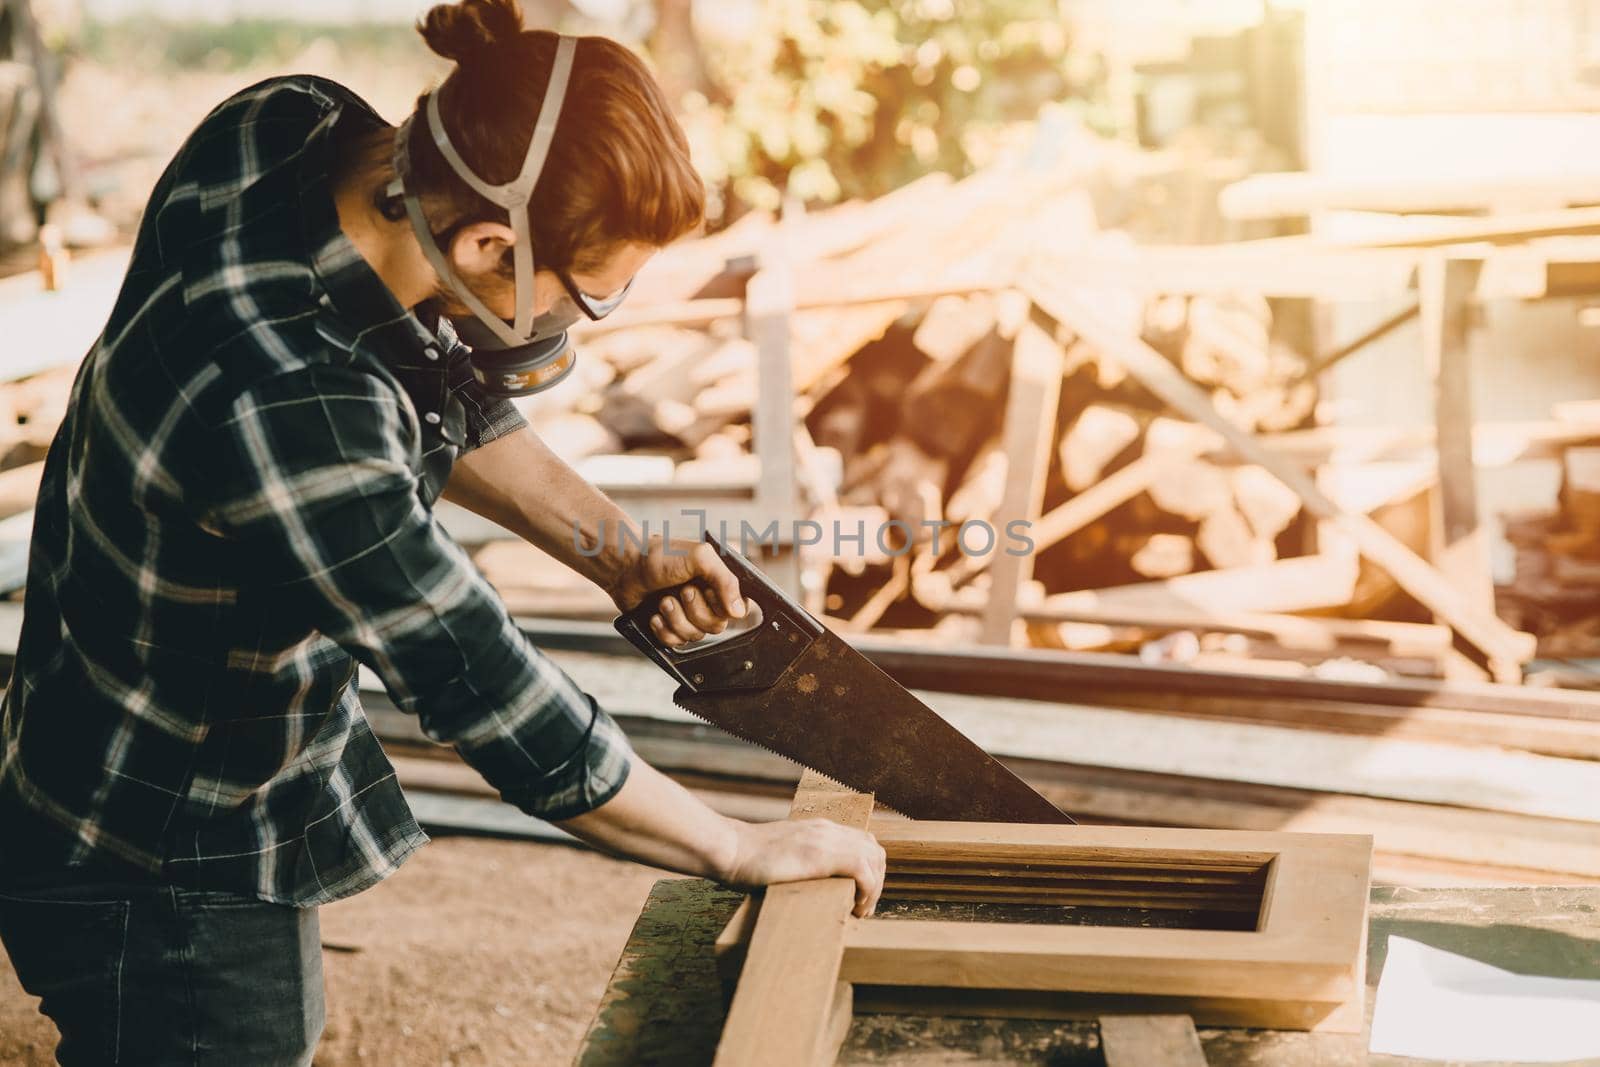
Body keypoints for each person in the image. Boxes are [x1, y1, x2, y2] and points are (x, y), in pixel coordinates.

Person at [0, 1, 884, 1062]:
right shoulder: (293, 409)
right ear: (485, 241)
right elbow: (487, 687)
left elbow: (414, 374)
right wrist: (741, 846)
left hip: (83, 730)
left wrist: (621, 550)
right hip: (164, 858)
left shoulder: (285, 126)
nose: (575, 322)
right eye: (586, 297)